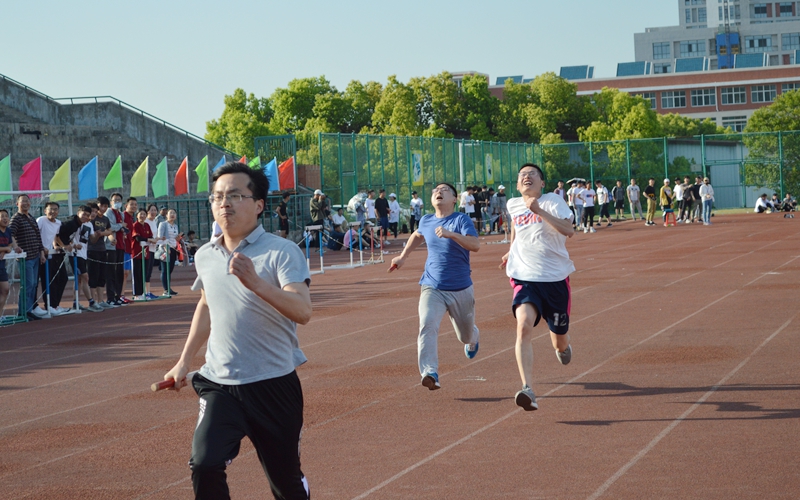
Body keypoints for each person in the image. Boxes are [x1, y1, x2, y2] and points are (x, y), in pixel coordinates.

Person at [163, 161, 312, 500]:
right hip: (221, 384)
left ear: (259, 204)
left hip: (273, 383)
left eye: (234, 195)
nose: (224, 203)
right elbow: (206, 305)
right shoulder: (206, 255)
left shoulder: (282, 251)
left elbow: (303, 311)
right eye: (216, 197)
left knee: (285, 483)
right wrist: (184, 361)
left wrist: (256, 283)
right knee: (204, 463)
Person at [389, 181, 480, 390]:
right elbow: (417, 235)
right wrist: (403, 257)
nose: (438, 192)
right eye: (435, 191)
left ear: (455, 199)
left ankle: (473, 336)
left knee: (464, 336)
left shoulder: (461, 219)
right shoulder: (426, 220)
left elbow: (475, 245)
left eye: (444, 190)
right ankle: (430, 372)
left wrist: (451, 234)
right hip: (432, 286)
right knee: (427, 324)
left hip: (461, 288)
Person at [501, 163, 575, 411]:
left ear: (542, 183)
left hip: (554, 280)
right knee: (522, 327)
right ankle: (527, 389)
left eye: (532, 174)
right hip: (524, 277)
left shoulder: (553, 201)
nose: (526, 177)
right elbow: (516, 227)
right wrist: (510, 250)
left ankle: (563, 347)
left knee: (559, 343)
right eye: (522, 174)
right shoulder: (513, 204)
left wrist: (540, 210)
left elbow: (569, 230)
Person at [10, 194, 46, 321]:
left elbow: (38, 237)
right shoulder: (16, 219)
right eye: (22, 201)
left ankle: (29, 309)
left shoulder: (30, 217)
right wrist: (16, 247)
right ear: (17, 204)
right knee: (28, 285)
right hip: (26, 257)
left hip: (35, 255)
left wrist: (41, 253)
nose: (25, 203)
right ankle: (23, 311)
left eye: (27, 201)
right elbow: (10, 234)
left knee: (34, 284)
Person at [57, 205, 100, 312]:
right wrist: (70, 245)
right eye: (84, 214)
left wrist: (98, 234)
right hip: (75, 254)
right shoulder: (74, 223)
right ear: (78, 213)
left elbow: (92, 240)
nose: (86, 216)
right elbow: (63, 235)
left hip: (83, 253)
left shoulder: (89, 224)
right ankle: (91, 301)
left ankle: (76, 302)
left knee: (80, 279)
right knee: (85, 277)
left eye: (89, 214)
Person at [37, 202, 68, 315]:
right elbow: (36, 234)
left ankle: (55, 304)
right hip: (40, 254)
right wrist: (42, 247)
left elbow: (56, 236)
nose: (53, 212)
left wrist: (59, 246)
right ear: (45, 211)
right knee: (48, 281)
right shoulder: (41, 220)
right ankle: (49, 305)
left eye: (55, 209)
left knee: (62, 278)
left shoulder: (58, 223)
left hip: (53, 254)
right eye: (50, 209)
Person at [87, 202, 115, 309]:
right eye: (92, 211)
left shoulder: (105, 219)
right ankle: (93, 301)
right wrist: (102, 233)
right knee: (93, 275)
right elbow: (93, 236)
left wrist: (110, 237)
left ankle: (100, 300)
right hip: (91, 250)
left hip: (102, 250)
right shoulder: (89, 221)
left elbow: (109, 231)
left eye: (95, 211)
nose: (94, 213)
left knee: (101, 276)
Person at [105, 193, 127, 306]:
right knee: (111, 272)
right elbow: (109, 227)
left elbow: (122, 226)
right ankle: (110, 297)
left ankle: (118, 296)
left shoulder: (121, 214)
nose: (117, 202)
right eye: (115, 200)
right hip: (111, 246)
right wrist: (120, 226)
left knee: (119, 272)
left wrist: (122, 228)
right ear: (111, 201)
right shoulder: (108, 212)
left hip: (120, 245)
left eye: (119, 200)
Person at [132, 209, 157, 300]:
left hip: (145, 253)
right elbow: (138, 238)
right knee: (137, 273)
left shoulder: (147, 225)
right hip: (136, 253)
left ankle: (143, 293)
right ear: (137, 215)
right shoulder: (135, 225)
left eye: (144, 214)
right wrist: (149, 240)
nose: (142, 216)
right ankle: (137, 294)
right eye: (140, 214)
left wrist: (152, 239)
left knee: (144, 273)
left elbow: (150, 236)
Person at [0, 209, 20, 318]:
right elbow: (7, 247)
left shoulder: (8, 230)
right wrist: (5, 248)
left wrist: (7, 248)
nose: (4, 218)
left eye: (6, 216)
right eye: (2, 216)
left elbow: (11, 244)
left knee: (5, 289)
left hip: (2, 265)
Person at [157, 209, 181, 296]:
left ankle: (168, 288)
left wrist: (178, 238)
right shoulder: (163, 224)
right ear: (166, 215)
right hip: (165, 249)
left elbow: (174, 238)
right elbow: (160, 237)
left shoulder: (175, 226)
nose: (172, 215)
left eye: (174, 213)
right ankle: (166, 290)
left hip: (173, 249)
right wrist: (165, 247)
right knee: (165, 270)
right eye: (170, 213)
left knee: (170, 269)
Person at [120, 197, 138, 303]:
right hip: (122, 248)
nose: (134, 206)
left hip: (128, 248)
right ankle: (118, 294)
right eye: (131, 204)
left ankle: (122, 294)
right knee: (123, 272)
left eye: (135, 204)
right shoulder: (123, 216)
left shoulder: (131, 218)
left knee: (126, 273)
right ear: (126, 206)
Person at [145, 204, 162, 298]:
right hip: (146, 249)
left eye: (155, 210)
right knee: (146, 271)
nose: (153, 212)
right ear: (148, 212)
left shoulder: (154, 222)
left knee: (149, 271)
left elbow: (154, 237)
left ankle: (148, 291)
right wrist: (153, 240)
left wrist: (160, 239)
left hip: (152, 249)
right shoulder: (146, 222)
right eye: (151, 210)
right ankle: (145, 292)